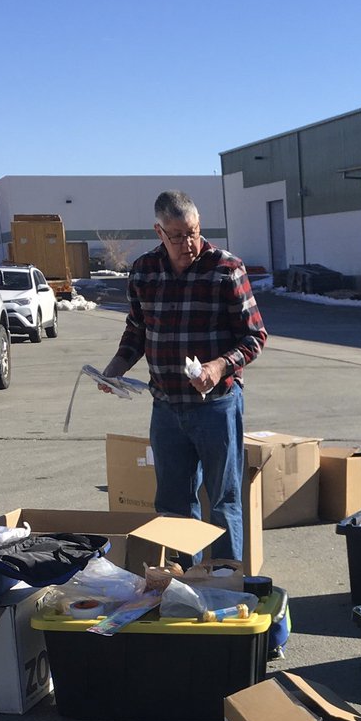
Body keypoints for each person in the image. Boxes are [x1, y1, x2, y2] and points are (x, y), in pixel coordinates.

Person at [100, 190, 267, 564]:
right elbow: (136, 330)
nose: (187, 243)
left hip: (217, 406)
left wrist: (218, 366)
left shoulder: (226, 268)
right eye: (176, 235)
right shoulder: (144, 270)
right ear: (158, 231)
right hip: (166, 408)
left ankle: (226, 580)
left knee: (223, 499)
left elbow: (255, 336)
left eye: (192, 232)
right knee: (173, 502)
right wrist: (117, 367)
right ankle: (184, 579)